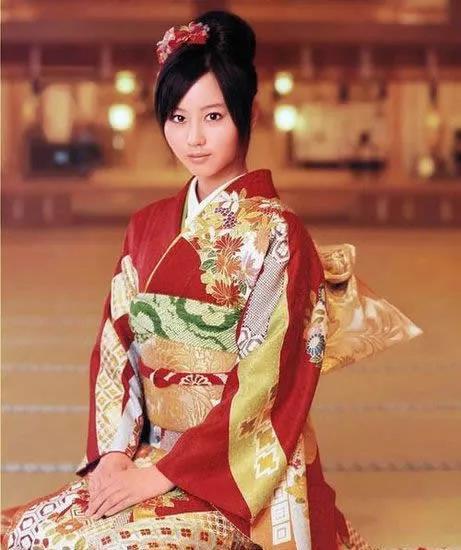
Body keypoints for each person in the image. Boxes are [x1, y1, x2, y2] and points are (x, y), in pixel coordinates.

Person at [1, 10, 423, 550]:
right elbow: (116, 347)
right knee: (31, 533)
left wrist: (163, 475)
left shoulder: (279, 235)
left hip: (232, 472)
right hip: (146, 451)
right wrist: (114, 456)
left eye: (214, 116)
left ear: (248, 113)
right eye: (177, 118)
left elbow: (267, 383)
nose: (193, 138)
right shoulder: (146, 225)